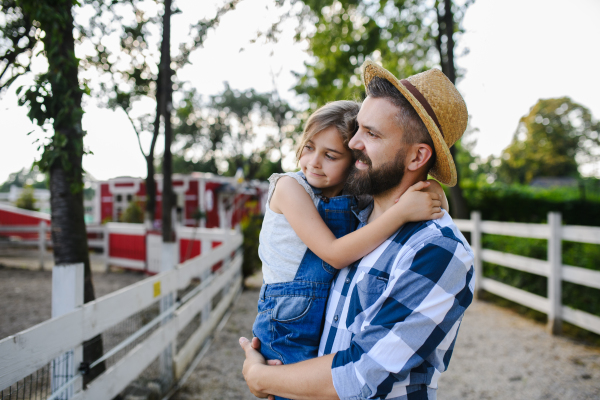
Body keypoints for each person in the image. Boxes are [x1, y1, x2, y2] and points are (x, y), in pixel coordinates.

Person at [240, 60, 475, 400]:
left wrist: (261, 378)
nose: (352, 144)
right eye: (358, 129)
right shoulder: (357, 217)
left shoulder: (436, 250)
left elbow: (360, 376)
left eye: (371, 134)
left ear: (417, 157)